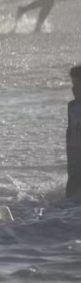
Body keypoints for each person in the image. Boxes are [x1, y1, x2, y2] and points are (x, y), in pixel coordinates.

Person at [66, 65, 81, 199]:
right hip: (74, 153)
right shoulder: (72, 106)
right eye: (73, 85)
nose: (73, 90)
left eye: (77, 86)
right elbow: (69, 130)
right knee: (73, 183)